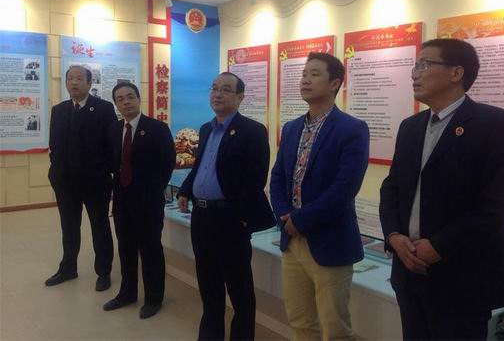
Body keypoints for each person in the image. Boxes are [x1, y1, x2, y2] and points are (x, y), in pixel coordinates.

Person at [379, 38, 504, 340]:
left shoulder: (497, 125)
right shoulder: (410, 127)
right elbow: (391, 188)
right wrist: (393, 235)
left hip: (463, 279)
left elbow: (497, 207)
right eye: (414, 65)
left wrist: (438, 246)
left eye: (424, 65)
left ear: (456, 73)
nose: (414, 73)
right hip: (409, 273)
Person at [270, 52, 369, 340]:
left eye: (314, 74)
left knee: (334, 328)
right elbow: (278, 178)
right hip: (292, 240)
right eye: (304, 74)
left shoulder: (352, 129)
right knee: (300, 321)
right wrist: (284, 217)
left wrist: (300, 220)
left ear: (335, 83)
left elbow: (344, 188)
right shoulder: (291, 128)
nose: (305, 80)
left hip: (329, 240)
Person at [177, 72, 276, 340]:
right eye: (214, 88)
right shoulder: (206, 129)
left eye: (226, 90)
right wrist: (185, 190)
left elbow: (255, 179)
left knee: (239, 290)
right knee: (208, 286)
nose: (218, 94)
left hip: (230, 220)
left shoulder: (253, 131)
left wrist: (241, 219)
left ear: (240, 97)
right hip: (202, 218)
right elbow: (200, 166)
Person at [102, 82, 175, 319]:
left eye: (130, 96)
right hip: (122, 200)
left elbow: (168, 163)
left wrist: (153, 188)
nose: (126, 102)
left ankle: (154, 298)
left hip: (148, 201)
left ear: (139, 98)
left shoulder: (157, 128)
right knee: (125, 248)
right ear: (116, 104)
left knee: (150, 249)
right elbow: (113, 162)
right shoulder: (114, 129)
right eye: (120, 98)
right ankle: (127, 293)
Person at [46, 65, 116, 291]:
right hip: (65, 182)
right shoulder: (59, 110)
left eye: (79, 78)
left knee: (99, 227)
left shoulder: (104, 108)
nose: (74, 82)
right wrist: (56, 172)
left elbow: (111, 145)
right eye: (70, 79)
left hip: (95, 182)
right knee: (69, 227)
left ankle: (103, 272)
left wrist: (103, 171)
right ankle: (68, 268)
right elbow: (54, 145)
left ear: (89, 83)